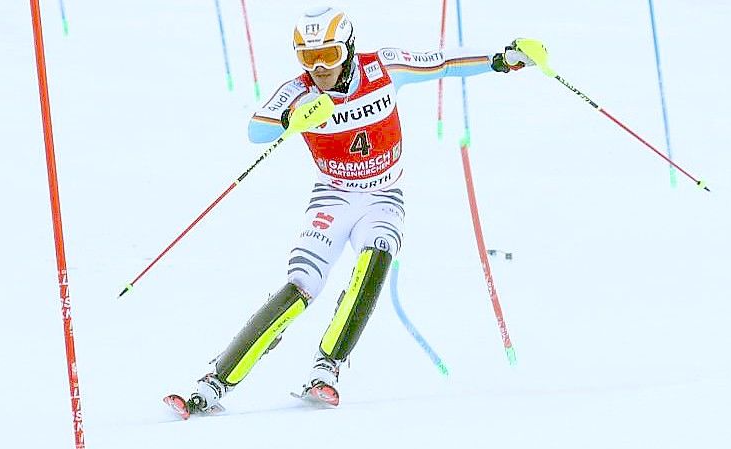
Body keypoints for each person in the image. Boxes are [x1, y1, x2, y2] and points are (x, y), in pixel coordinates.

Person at [166, 6, 540, 418]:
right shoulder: (299, 91)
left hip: (383, 196)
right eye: (309, 58)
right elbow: (257, 129)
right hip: (333, 198)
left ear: (348, 47)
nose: (321, 67)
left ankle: (326, 369)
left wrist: (502, 58)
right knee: (300, 287)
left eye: (329, 54)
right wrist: (292, 118)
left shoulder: (382, 67)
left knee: (376, 257)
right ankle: (214, 382)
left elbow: (444, 63)